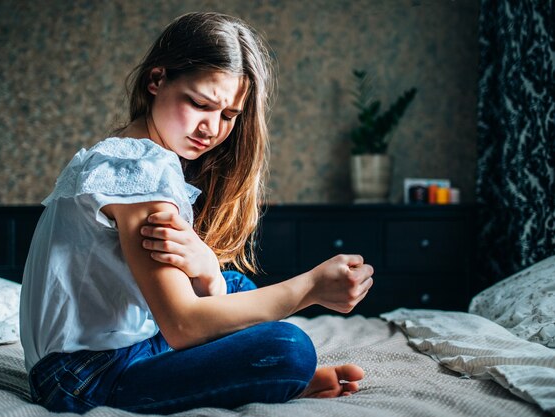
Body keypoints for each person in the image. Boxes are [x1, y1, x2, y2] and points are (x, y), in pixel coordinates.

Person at [20, 11, 374, 415]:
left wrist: (206, 268)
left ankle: (261, 377)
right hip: (83, 377)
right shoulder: (138, 172)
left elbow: (182, 305)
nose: (211, 129)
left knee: (231, 284)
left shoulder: (126, 153)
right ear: (156, 81)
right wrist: (310, 288)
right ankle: (271, 376)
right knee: (288, 348)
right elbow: (183, 325)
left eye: (228, 116)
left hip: (99, 358)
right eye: (199, 104)